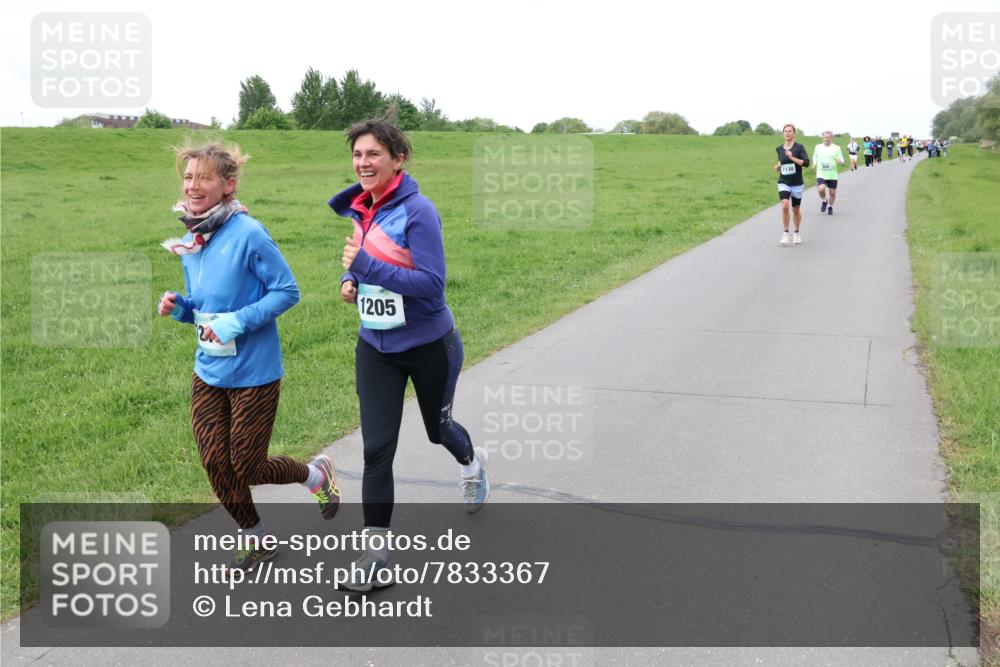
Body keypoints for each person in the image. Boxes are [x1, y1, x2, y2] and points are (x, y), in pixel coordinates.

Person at [158, 142, 341, 571]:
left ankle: (317, 476)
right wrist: (182, 308)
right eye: (188, 177)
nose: (193, 185)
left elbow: (287, 291)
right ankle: (257, 538)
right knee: (215, 463)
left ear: (228, 185)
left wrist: (237, 322)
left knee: (248, 464)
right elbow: (207, 308)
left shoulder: (249, 233)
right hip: (208, 369)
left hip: (254, 373)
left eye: (204, 177)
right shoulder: (193, 237)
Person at [331, 118, 487, 591]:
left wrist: (363, 265)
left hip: (428, 345)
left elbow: (431, 286)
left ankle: (472, 463)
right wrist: (352, 281)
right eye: (358, 155)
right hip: (375, 346)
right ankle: (375, 557)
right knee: (377, 450)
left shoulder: (419, 211)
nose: (363, 163)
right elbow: (370, 264)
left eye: (373, 153)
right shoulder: (363, 209)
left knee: (438, 430)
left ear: (398, 159)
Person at [774, 123, 810, 245]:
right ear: (783, 133)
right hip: (784, 182)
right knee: (784, 205)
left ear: (794, 133)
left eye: (790, 131)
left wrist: (792, 157)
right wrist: (778, 166)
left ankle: (797, 232)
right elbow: (781, 160)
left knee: (795, 209)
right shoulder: (779, 149)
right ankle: (785, 233)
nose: (788, 133)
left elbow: (806, 163)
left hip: (797, 183)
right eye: (785, 131)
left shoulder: (799, 148)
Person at [812, 131, 846, 215]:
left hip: (832, 174)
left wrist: (840, 161)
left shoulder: (836, 148)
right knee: (821, 188)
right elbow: (815, 156)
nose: (826, 139)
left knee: (832, 192)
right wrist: (814, 163)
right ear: (823, 138)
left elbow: (842, 159)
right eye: (825, 137)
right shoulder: (818, 147)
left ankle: (830, 206)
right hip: (821, 173)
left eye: (828, 137)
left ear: (831, 138)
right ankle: (824, 200)